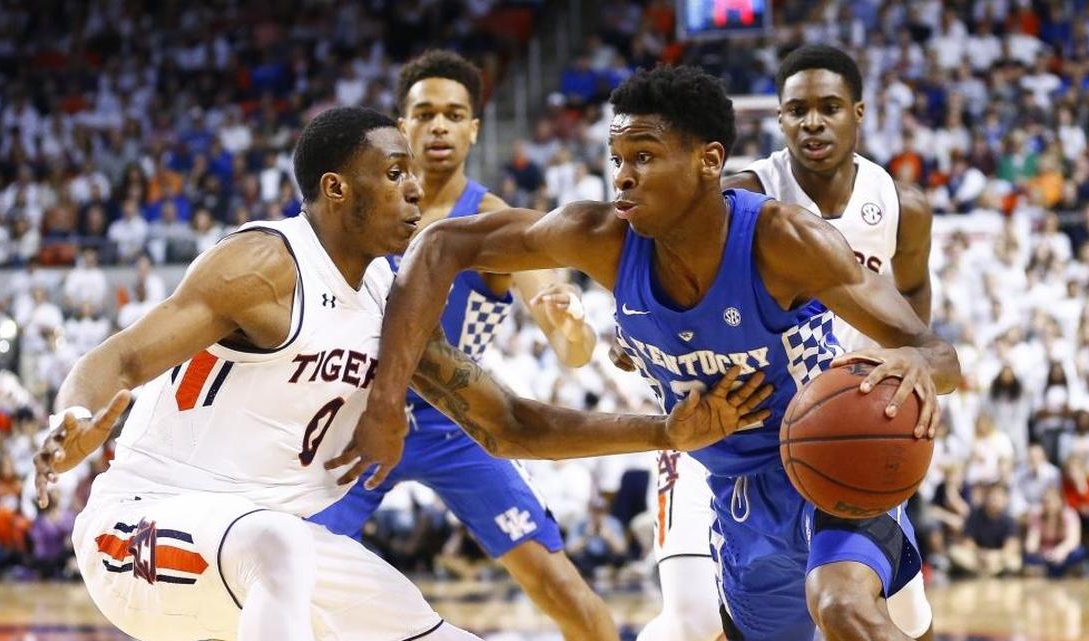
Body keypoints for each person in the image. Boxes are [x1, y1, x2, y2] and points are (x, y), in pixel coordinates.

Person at [31, 106, 765, 641]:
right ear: (337, 189)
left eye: (413, 175)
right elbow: (119, 357)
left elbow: (508, 423)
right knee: (276, 546)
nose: (414, 190)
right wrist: (71, 419)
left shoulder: (389, 300)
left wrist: (664, 429)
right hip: (142, 527)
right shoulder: (264, 266)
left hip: (274, 548)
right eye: (392, 174)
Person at [339, 66, 961, 641]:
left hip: (827, 466)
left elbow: (938, 354)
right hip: (730, 486)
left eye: (643, 157)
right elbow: (439, 246)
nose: (623, 176)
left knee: (844, 607)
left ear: (708, 161)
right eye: (616, 158)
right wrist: (387, 399)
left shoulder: (786, 241)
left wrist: (914, 363)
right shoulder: (600, 237)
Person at [627, 44, 937, 641]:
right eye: (797, 110)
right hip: (718, 425)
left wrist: (909, 371)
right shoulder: (739, 194)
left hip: (841, 425)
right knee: (692, 623)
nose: (812, 122)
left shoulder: (902, 208)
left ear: (860, 112)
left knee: (903, 618)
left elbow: (916, 323)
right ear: (779, 119)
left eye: (828, 107)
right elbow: (648, 259)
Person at [306, 51, 618, 641]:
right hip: (360, 417)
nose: (439, 127)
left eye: (455, 114)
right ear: (401, 127)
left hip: (458, 422)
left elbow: (570, 345)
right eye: (425, 114)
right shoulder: (360, 213)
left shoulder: (494, 218)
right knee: (280, 564)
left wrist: (569, 322)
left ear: (475, 128)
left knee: (558, 587)